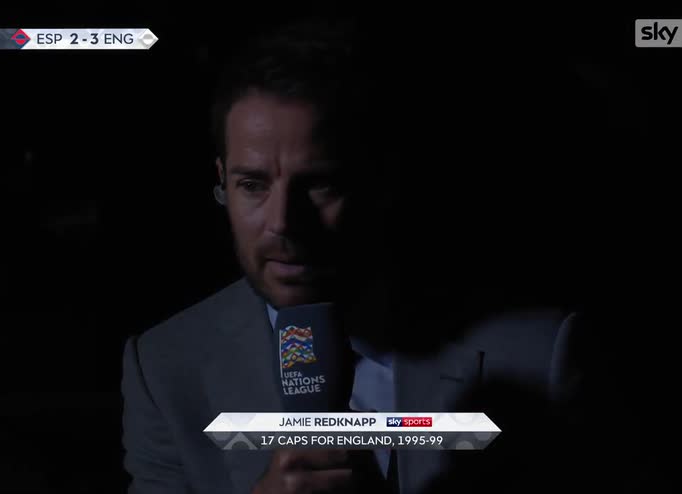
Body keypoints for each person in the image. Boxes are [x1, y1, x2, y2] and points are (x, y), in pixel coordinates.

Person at [122, 18, 629, 494]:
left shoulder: (539, 355)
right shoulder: (165, 367)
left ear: (382, 182)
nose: (283, 223)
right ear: (221, 183)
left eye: (319, 184)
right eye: (253, 185)